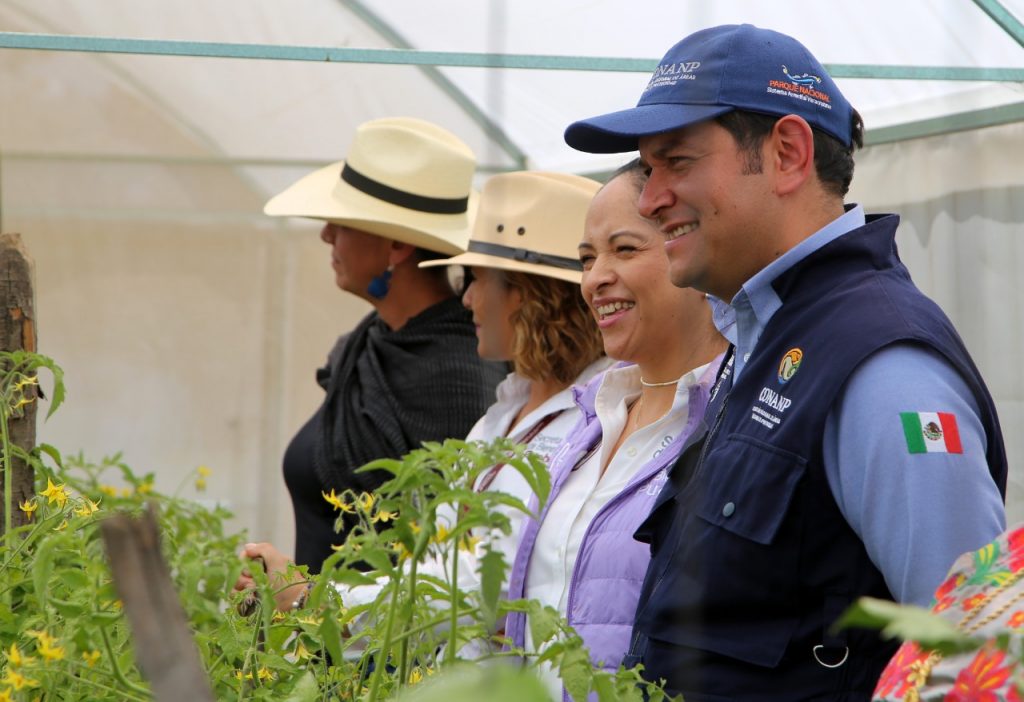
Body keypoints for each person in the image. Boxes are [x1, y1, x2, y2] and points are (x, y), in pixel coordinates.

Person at [562, 24, 1008, 701]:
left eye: (675, 162)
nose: (650, 198)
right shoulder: (765, 339)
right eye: (648, 170)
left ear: (789, 154)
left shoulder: (884, 368)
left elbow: (967, 654)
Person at [238, 170, 611, 615]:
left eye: (475, 279)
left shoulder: (589, 421)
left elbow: (474, 585)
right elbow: (441, 564)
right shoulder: (505, 410)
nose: (466, 298)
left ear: (531, 296)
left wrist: (313, 601)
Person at [503, 161, 727, 700]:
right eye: (586, 258)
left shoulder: (734, 419)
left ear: (690, 251)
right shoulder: (589, 421)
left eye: (624, 249)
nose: (595, 278)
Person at [263, 117, 506, 574]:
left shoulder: (461, 374)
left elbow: (454, 561)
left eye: (343, 222)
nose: (325, 234)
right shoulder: (368, 344)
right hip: (323, 632)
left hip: (391, 641)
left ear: (396, 244)